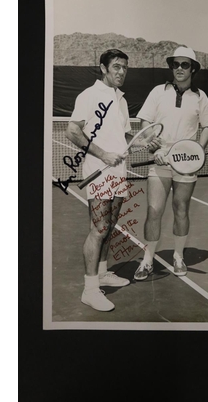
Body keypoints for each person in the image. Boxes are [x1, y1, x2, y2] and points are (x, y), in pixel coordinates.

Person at [133, 46, 208, 280]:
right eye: (175, 64)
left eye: (185, 64)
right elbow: (146, 122)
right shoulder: (158, 91)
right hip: (159, 161)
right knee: (154, 210)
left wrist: (198, 151)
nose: (179, 68)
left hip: (186, 163)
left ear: (193, 69)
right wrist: (153, 145)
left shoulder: (200, 97)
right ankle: (148, 260)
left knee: (181, 210)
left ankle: (178, 256)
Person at [65, 49, 134, 311]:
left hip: (118, 172)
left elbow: (126, 138)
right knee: (99, 229)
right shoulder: (89, 95)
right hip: (98, 171)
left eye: (124, 67)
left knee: (111, 225)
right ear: (103, 68)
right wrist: (103, 154)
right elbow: (72, 130)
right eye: (116, 67)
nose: (121, 72)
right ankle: (90, 290)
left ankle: (103, 273)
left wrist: (146, 143)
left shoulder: (121, 100)